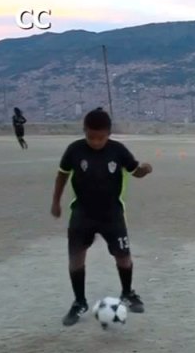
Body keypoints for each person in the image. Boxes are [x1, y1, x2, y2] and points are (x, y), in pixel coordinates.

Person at [50, 109, 153, 326]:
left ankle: (127, 292)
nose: (96, 142)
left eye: (101, 137)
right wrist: (55, 201)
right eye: (91, 137)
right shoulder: (74, 150)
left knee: (123, 256)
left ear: (108, 133)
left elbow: (135, 171)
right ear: (84, 131)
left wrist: (144, 169)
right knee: (76, 258)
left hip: (112, 214)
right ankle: (79, 302)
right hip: (82, 214)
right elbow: (62, 175)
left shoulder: (118, 150)